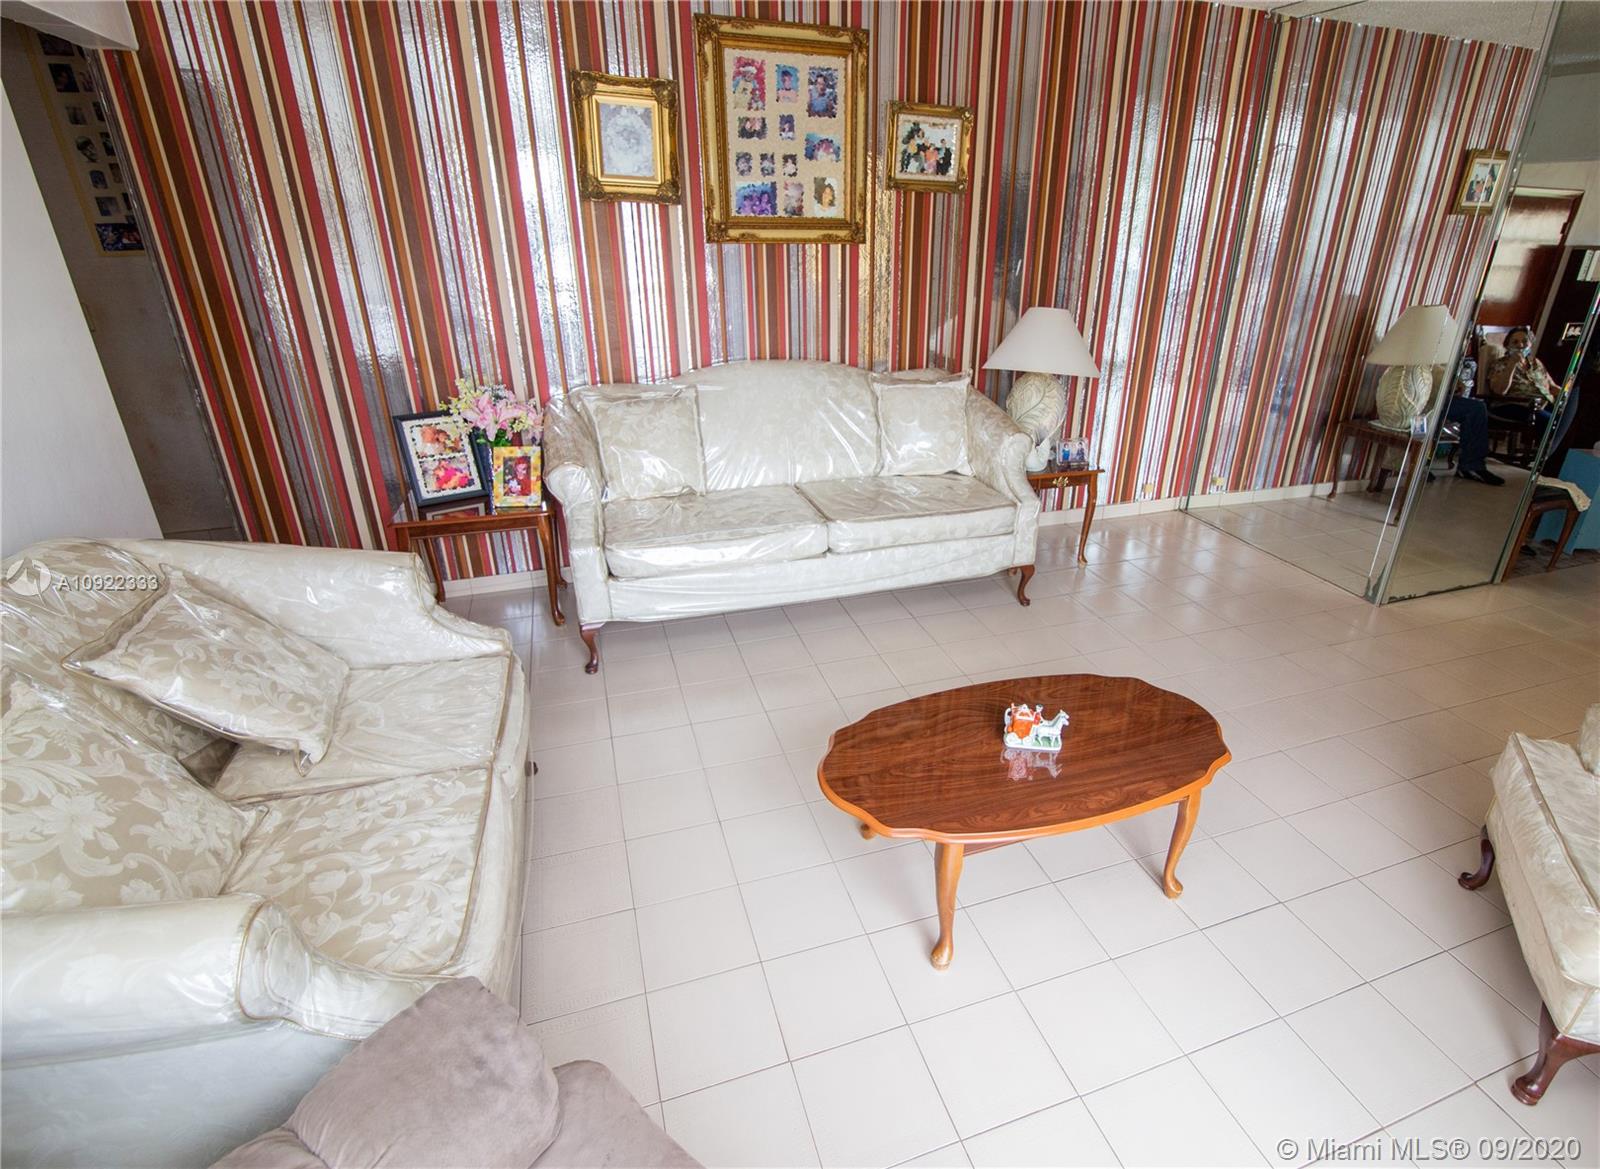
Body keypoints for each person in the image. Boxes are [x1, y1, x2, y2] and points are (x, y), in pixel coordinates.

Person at [1483, 325, 1556, 435]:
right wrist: (1512, 363)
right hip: (1515, 405)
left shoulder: (1536, 363)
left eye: (1525, 341)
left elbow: (1551, 386)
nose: (1520, 345)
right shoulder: (1500, 364)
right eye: (1515, 342)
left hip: (1543, 404)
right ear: (1507, 346)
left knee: (1564, 419)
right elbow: (1499, 391)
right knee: (1551, 423)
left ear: (1530, 344)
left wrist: (1565, 394)